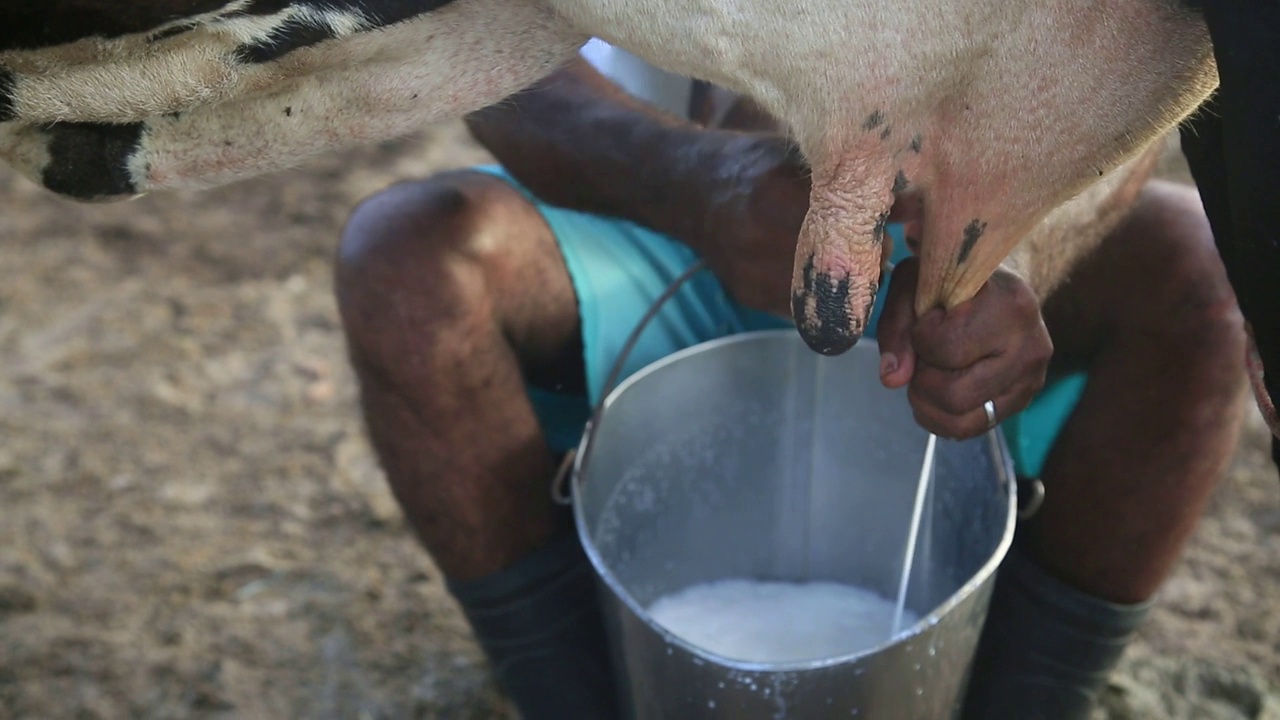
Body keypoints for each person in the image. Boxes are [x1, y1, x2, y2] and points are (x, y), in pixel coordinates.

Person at [333, 41, 1248, 720]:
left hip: (948, 243)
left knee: (1203, 276)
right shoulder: (679, 183)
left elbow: (1146, 69)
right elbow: (477, 48)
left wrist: (1015, 257)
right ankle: (574, 696)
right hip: (663, 211)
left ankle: (1026, 697)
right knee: (409, 262)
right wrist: (695, 182)